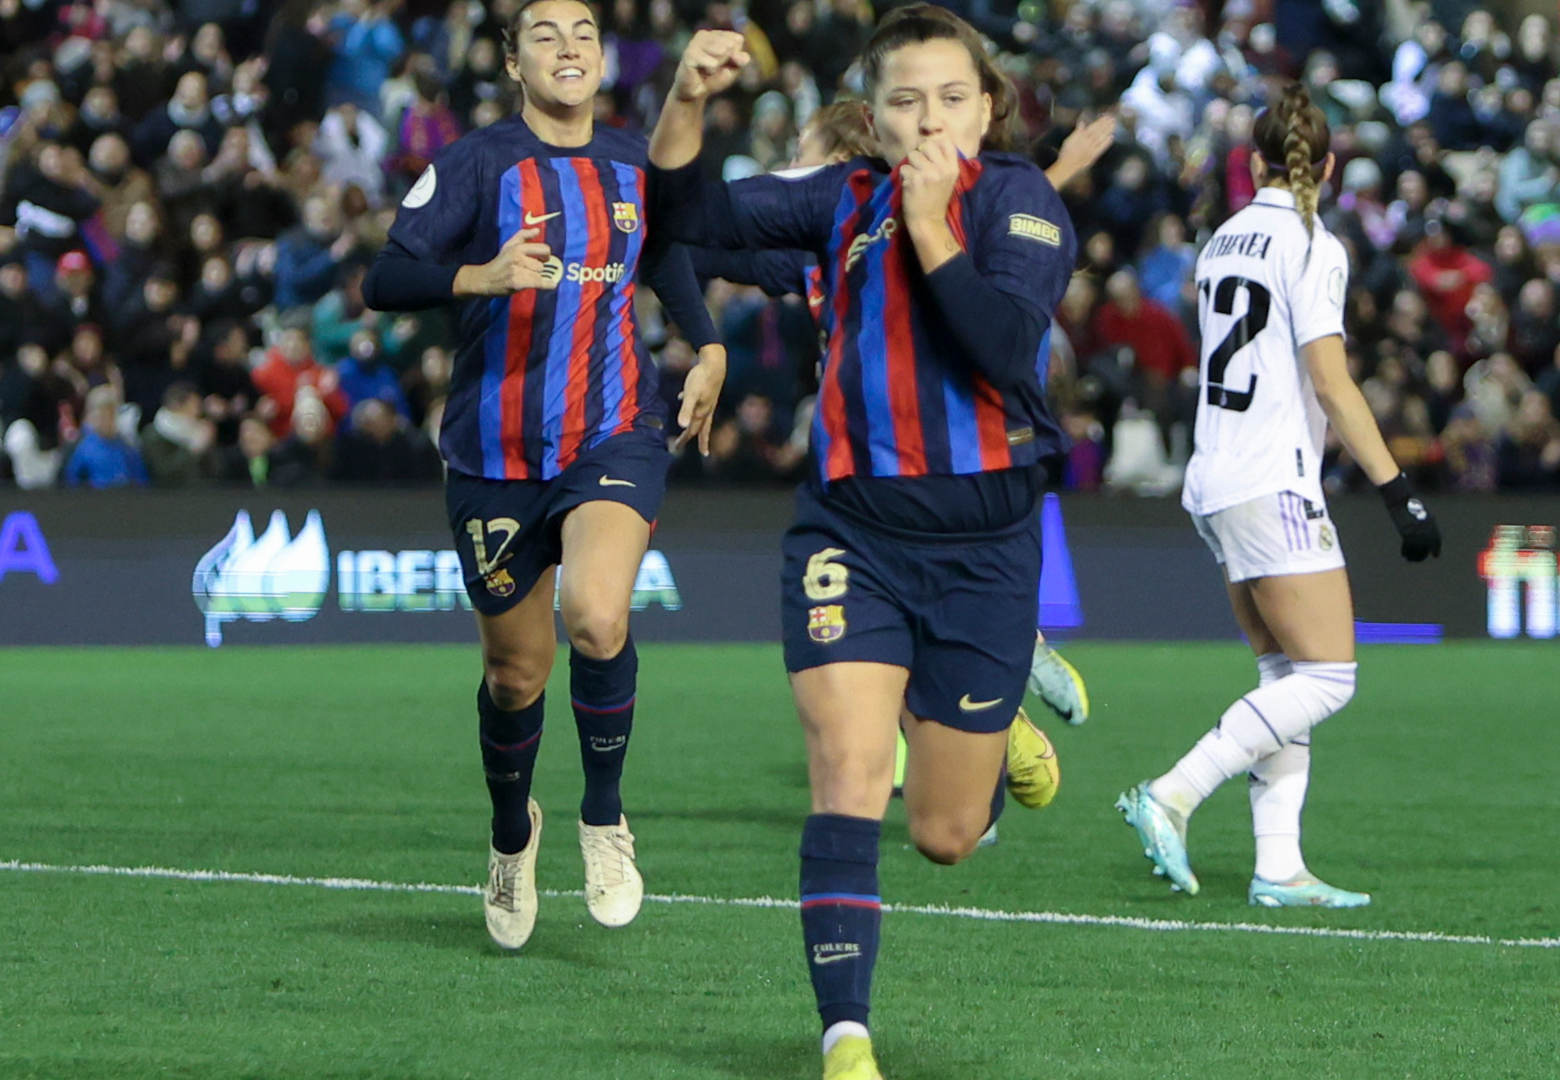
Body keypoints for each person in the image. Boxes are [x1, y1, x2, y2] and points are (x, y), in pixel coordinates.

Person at [647, 11, 1076, 1078]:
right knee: (844, 770)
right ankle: (846, 1038)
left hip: (986, 544)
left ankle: (977, 707)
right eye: (903, 101)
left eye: (948, 98)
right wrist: (689, 102)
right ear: (873, 119)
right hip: (853, 530)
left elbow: (1007, 349)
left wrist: (932, 226)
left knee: (942, 832)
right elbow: (684, 214)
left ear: (985, 107)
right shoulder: (838, 201)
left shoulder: (1020, 202)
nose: (927, 118)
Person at [361, 0, 727, 951]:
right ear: (514, 64)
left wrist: (711, 346)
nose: (568, 48)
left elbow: (669, 262)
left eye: (584, 34)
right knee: (516, 676)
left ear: (603, 59)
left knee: (598, 616)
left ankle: (603, 818)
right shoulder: (478, 165)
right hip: (492, 455)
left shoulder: (633, 164)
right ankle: (510, 835)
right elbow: (385, 278)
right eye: (544, 36)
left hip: (613, 434)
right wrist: (474, 277)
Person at [689, 98, 1105, 802]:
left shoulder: (916, 224)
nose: (792, 167)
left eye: (805, 151)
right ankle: (987, 703)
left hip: (962, 455)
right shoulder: (821, 248)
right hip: (874, 465)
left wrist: (1058, 171)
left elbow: (1003, 213)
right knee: (876, 638)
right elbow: (723, 243)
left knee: (912, 632)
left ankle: (996, 680)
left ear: (848, 160)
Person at [1116, 83, 1442, 909]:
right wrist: (1396, 489)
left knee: (1282, 673)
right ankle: (1173, 792)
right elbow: (1329, 381)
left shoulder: (1222, 241)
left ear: (1253, 163)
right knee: (1330, 677)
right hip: (1270, 480)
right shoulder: (1312, 244)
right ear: (1327, 167)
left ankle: (1279, 866)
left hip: (1215, 478)